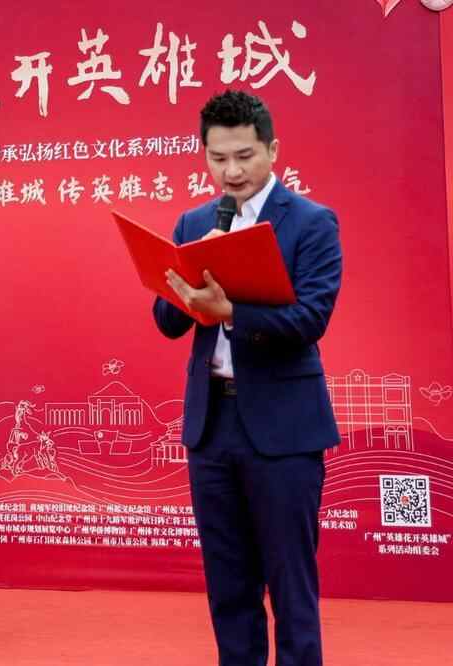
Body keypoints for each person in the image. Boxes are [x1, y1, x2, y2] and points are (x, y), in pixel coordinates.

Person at [153, 90, 342, 665]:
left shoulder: (310, 222)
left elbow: (311, 319)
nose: (230, 171)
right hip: (212, 425)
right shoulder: (194, 222)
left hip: (284, 429)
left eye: (244, 156)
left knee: (290, 582)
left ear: (272, 150)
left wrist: (230, 311)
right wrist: (190, 279)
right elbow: (166, 320)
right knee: (228, 583)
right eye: (218, 158)